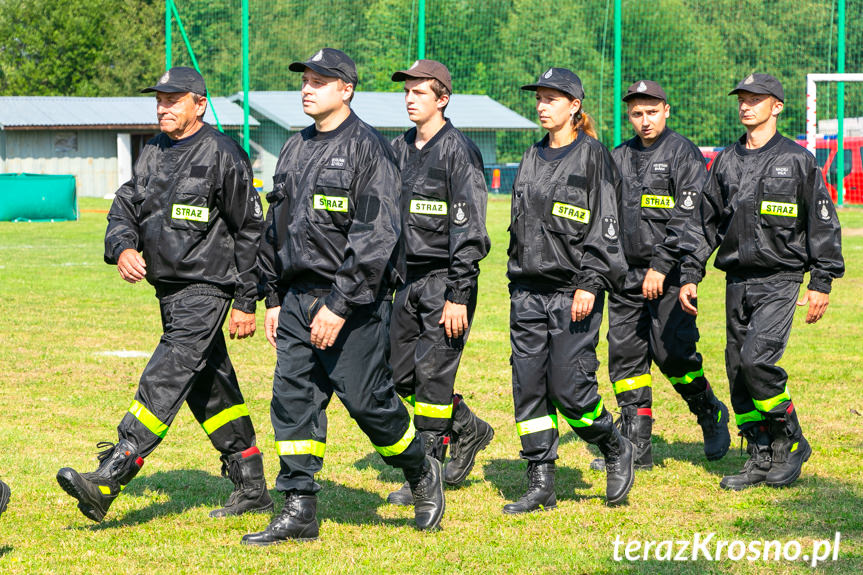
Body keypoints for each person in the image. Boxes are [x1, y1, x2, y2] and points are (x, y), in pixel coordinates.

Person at [242, 48, 444, 545]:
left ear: (346, 89)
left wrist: (338, 304)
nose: (308, 88)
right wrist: (271, 297)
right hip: (295, 299)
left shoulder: (369, 149)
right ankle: (298, 507)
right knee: (292, 400)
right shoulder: (293, 148)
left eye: (320, 81)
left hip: (352, 303)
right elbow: (277, 227)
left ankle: (420, 470)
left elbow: (376, 237)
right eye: (305, 81)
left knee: (369, 402)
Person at [56, 67, 273, 523]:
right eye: (159, 99)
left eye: (173, 100)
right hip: (169, 293)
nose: (162, 107)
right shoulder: (152, 150)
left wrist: (246, 301)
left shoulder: (223, 153)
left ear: (199, 103)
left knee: (166, 376)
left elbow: (252, 230)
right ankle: (250, 483)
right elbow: (125, 206)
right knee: (210, 388)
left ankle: (113, 473)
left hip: (207, 289)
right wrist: (123, 246)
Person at [676, 73, 844, 490]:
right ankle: (759, 453)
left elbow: (822, 226)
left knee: (756, 361)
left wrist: (821, 281)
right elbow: (705, 223)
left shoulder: (799, 161)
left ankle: (791, 441)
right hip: (737, 280)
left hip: (781, 278)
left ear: (777, 106)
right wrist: (691, 273)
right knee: (737, 371)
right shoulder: (726, 162)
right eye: (742, 99)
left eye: (756, 99)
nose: (746, 105)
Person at [502, 67, 633, 514]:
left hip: (573, 291)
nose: (542, 106)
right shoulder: (531, 156)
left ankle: (614, 446)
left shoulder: (594, 156)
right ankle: (540, 481)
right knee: (530, 391)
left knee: (570, 390)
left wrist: (591, 283)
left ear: (574, 106)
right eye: (539, 98)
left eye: (552, 99)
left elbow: (607, 225)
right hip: (527, 293)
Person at [591, 80, 730, 472]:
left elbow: (688, 219)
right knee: (625, 361)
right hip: (626, 278)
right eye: (637, 114)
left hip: (669, 276)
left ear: (667, 110)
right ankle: (636, 446)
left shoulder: (682, 153)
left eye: (652, 112)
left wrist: (662, 265)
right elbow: (606, 217)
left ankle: (710, 414)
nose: (645, 120)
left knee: (674, 356)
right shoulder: (617, 157)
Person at [385, 60, 494, 507]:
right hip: (404, 282)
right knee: (397, 375)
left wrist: (458, 294)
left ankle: (426, 477)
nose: (410, 99)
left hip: (443, 281)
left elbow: (470, 231)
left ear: (442, 99)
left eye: (419, 92)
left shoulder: (459, 151)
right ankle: (468, 427)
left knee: (432, 379)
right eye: (406, 92)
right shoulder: (397, 148)